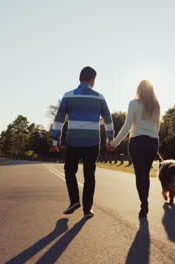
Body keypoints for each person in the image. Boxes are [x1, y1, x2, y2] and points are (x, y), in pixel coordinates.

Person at [51, 66, 114, 218]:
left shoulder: (68, 96)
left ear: (79, 79)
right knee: (89, 175)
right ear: (92, 79)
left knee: (70, 171)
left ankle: (74, 200)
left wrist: (55, 140)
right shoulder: (99, 97)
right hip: (92, 142)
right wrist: (110, 138)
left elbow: (59, 119)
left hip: (73, 140)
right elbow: (108, 120)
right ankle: (87, 209)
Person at [108, 80, 160, 218]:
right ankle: (145, 202)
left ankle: (144, 203)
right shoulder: (156, 105)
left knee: (140, 174)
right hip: (152, 142)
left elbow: (127, 126)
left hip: (137, 142)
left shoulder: (134, 104)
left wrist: (115, 143)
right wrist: (154, 138)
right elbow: (157, 127)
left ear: (139, 90)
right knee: (146, 174)